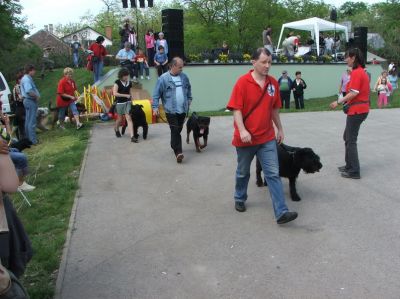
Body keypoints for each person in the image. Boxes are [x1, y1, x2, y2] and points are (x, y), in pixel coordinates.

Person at [226, 47, 297, 224]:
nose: (267, 65)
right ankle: (239, 198)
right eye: (264, 62)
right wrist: (242, 130)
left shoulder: (273, 83)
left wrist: (279, 129)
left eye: (270, 62)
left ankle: (281, 212)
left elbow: (274, 109)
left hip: (266, 138)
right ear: (254, 62)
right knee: (243, 172)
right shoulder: (242, 83)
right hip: (246, 139)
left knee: (273, 173)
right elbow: (236, 109)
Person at [329, 48, 370, 179]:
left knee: (351, 140)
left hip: (357, 110)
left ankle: (354, 171)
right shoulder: (358, 72)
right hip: (358, 109)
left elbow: (354, 93)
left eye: (347, 57)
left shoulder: (357, 73)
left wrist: (338, 102)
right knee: (347, 137)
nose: (345, 59)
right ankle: (349, 166)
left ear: (353, 58)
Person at [152, 57, 192, 163]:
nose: (181, 70)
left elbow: (188, 88)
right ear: (173, 66)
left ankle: (173, 144)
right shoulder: (163, 78)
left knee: (178, 130)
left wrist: (189, 99)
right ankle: (178, 152)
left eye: (182, 68)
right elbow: (156, 94)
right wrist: (155, 107)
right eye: (180, 67)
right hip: (170, 111)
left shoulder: (184, 77)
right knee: (175, 130)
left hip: (183, 109)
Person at [0, 111, 35, 191]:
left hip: (5, 150)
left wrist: (7, 123)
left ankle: (17, 177)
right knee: (21, 157)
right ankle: (19, 183)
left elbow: (8, 138)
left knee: (16, 149)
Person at [113, 68, 136, 143]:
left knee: (129, 118)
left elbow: (130, 92)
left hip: (128, 102)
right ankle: (116, 128)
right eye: (124, 76)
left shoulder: (129, 82)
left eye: (127, 75)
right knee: (120, 120)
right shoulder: (117, 82)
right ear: (121, 76)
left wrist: (132, 101)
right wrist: (125, 95)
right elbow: (115, 93)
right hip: (119, 103)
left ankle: (132, 136)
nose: (126, 77)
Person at [20, 64, 40, 145]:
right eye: (34, 70)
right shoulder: (27, 79)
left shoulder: (25, 78)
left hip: (27, 101)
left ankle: (28, 139)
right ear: (30, 70)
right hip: (30, 101)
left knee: (28, 121)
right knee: (32, 121)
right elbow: (29, 91)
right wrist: (36, 96)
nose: (34, 72)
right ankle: (33, 140)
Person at [12, 73, 25, 139]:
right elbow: (21, 98)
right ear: (18, 80)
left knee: (22, 124)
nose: (22, 80)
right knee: (21, 124)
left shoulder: (21, 86)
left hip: (21, 107)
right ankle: (22, 138)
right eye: (20, 79)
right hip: (20, 107)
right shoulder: (17, 87)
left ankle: (23, 138)